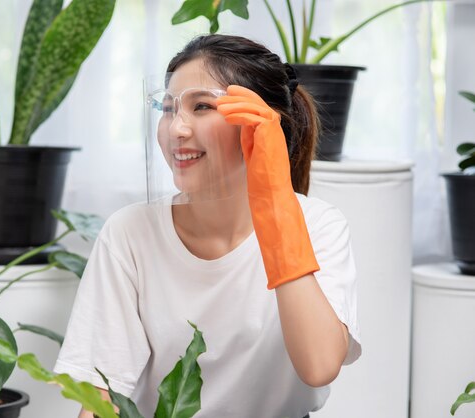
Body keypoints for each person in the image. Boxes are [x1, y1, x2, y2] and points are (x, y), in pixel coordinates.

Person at [54, 34, 361, 418]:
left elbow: (318, 366)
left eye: (202, 106)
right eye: (167, 109)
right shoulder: (130, 232)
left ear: (259, 124)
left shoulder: (318, 226)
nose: (176, 129)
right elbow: (100, 398)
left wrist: (276, 200)